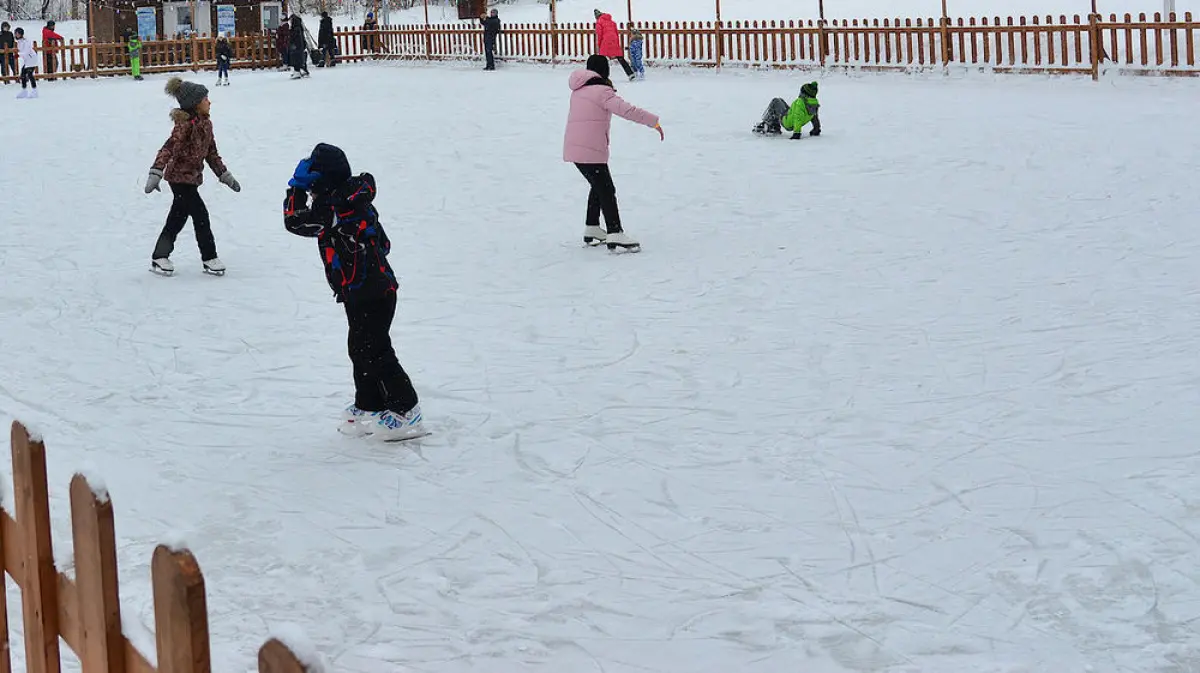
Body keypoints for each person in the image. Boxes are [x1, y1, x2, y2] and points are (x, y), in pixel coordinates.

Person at [283, 143, 427, 442]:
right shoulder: (344, 199)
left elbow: (296, 222)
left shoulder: (337, 207)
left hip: (373, 291)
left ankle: (406, 408)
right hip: (361, 289)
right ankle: (370, 405)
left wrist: (294, 189)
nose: (309, 191)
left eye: (311, 183)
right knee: (360, 348)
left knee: (375, 350)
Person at [563, 55, 662, 252]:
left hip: (576, 148)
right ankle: (614, 231)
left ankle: (592, 227)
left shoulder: (578, 90)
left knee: (599, 186)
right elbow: (627, 110)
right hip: (591, 149)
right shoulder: (602, 92)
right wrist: (654, 122)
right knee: (607, 189)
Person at [144, 77, 241, 276]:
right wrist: (156, 172)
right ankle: (209, 257)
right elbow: (168, 147)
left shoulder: (206, 125)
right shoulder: (184, 126)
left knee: (176, 219)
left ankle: (159, 256)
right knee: (200, 215)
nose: (209, 102)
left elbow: (211, 154)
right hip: (179, 180)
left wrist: (225, 175)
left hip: (192, 179)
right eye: (206, 98)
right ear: (196, 104)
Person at [752, 81, 821, 139]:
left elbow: (798, 118)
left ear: (804, 93)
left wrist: (796, 133)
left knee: (775, 101)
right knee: (780, 100)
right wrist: (816, 129)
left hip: (787, 122)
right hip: (790, 117)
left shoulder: (801, 102)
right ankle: (774, 125)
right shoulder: (814, 103)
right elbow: (814, 117)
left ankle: (767, 125)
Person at [594, 9, 634, 81]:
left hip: (605, 41)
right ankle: (630, 73)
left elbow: (599, 35)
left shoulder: (599, 23)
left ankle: (601, 75)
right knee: (620, 58)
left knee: (602, 59)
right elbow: (616, 33)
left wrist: (599, 45)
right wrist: (617, 43)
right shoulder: (612, 22)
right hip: (614, 40)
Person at [14, 28, 37, 99]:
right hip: (27, 60)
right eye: (16, 33)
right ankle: (24, 91)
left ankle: (35, 91)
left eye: (18, 33)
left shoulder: (26, 41)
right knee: (23, 74)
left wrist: (18, 55)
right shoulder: (19, 41)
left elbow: (26, 52)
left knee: (30, 74)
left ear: (21, 34)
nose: (16, 35)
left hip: (32, 59)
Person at [288, 14, 310, 78]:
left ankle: (297, 71)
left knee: (296, 59)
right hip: (299, 45)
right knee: (300, 58)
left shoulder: (295, 28)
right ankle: (300, 71)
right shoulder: (298, 27)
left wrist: (293, 42)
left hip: (296, 46)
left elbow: (295, 37)